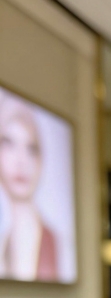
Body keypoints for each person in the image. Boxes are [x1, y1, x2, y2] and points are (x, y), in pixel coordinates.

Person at [0, 94, 58, 281]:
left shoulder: (48, 240)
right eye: (9, 144)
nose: (21, 161)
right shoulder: (6, 236)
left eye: (31, 148)